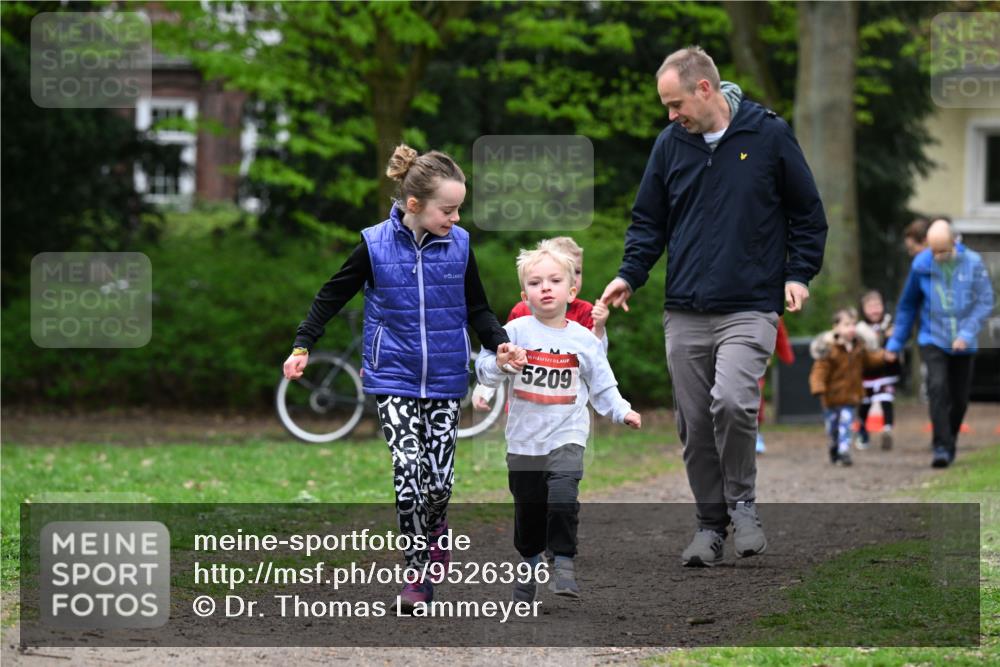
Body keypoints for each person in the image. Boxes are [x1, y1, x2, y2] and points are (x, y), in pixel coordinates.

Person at [600, 46, 827, 567]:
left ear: (705, 89)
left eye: (675, 103)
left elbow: (807, 213)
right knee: (695, 423)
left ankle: (742, 504)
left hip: (750, 304)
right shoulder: (669, 146)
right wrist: (629, 276)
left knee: (731, 402)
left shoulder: (767, 135)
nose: (671, 115)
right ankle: (710, 525)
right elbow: (647, 223)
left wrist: (798, 274)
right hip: (684, 307)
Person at [282, 144, 526, 613]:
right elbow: (330, 295)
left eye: (458, 209)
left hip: (444, 377)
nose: (455, 218)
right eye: (448, 209)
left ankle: (437, 526)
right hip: (392, 375)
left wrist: (498, 342)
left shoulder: (460, 244)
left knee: (439, 484)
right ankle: (414, 575)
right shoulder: (373, 245)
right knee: (408, 472)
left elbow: (477, 307)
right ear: (414, 204)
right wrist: (302, 344)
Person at [476, 244, 641, 600]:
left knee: (564, 494)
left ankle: (564, 562)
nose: (545, 288)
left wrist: (621, 410)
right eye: (536, 282)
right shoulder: (515, 331)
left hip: (568, 434)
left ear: (572, 290)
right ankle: (529, 560)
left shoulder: (584, 340)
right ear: (525, 294)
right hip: (524, 440)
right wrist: (501, 364)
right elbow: (485, 368)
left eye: (554, 280)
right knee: (528, 506)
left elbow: (603, 384)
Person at [886, 219, 994, 468]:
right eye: (933, 251)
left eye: (942, 251)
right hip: (932, 337)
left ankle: (951, 437)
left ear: (955, 242)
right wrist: (895, 344)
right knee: (937, 387)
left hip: (964, 342)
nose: (937, 256)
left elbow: (985, 302)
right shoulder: (921, 265)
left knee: (959, 398)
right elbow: (907, 306)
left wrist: (967, 333)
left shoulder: (974, 263)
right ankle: (941, 447)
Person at [471, 236, 609, 410]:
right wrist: (484, 390)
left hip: (565, 409)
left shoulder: (585, 311)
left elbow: (597, 359)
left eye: (578, 271)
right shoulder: (521, 314)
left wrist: (599, 327)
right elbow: (502, 351)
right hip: (525, 406)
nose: (574, 276)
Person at [809, 308, 889, 466]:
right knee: (832, 427)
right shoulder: (829, 349)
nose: (851, 328)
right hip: (831, 397)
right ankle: (834, 445)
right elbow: (819, 370)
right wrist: (817, 386)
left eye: (853, 324)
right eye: (846, 324)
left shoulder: (859, 347)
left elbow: (870, 360)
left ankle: (844, 451)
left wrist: (884, 356)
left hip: (851, 396)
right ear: (836, 327)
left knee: (846, 423)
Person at [855, 289, 901, 451]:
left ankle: (887, 429)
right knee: (865, 404)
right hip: (866, 374)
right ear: (864, 309)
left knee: (886, 400)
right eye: (870, 306)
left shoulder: (890, 325)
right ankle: (862, 431)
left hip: (886, 372)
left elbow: (898, 342)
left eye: (877, 305)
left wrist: (892, 341)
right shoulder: (859, 329)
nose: (875, 309)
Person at [756, 317, 794, 454]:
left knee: (756, 400)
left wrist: (786, 355)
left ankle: (755, 434)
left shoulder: (767, 305)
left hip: (757, 361)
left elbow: (778, 328)